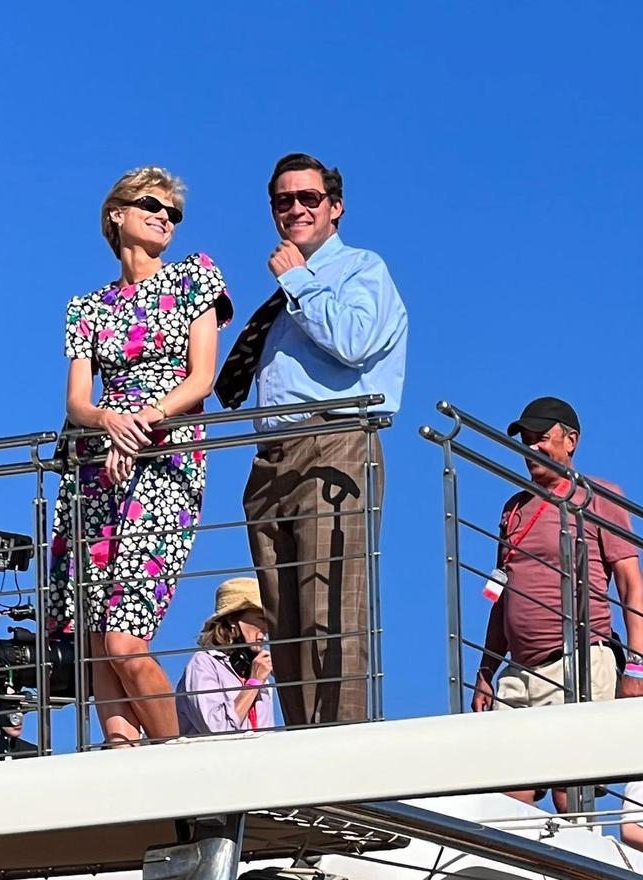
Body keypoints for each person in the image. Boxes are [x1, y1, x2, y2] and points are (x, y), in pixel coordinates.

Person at [215, 152, 407, 728]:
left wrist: (296, 278)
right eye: (283, 200)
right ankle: (302, 739)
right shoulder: (291, 287)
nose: (295, 208)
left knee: (334, 609)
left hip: (335, 443)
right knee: (287, 616)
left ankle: (340, 747)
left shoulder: (360, 269)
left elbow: (353, 341)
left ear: (335, 208)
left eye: (309, 198)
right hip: (273, 458)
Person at [48, 166, 233, 747]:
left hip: (165, 458)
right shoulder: (88, 307)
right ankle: (121, 752)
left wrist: (142, 424)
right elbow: (78, 400)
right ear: (116, 214)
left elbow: (202, 379)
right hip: (96, 464)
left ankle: (178, 759)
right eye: (152, 205)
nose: (165, 217)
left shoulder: (193, 278)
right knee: (97, 636)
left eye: (173, 212)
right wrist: (110, 423)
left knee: (126, 639)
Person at [472, 397, 643, 811]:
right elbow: (503, 597)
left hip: (580, 659)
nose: (532, 449)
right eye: (526, 441)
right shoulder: (512, 510)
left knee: (571, 793)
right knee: (509, 797)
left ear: (571, 441)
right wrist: (485, 670)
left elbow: (630, 585)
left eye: (541, 439)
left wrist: (637, 667)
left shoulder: (598, 497)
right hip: (520, 671)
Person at [176, 577, 274, 736]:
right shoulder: (203, 663)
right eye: (261, 619)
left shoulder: (258, 674)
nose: (266, 629)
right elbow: (218, 730)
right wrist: (254, 683)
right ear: (233, 620)